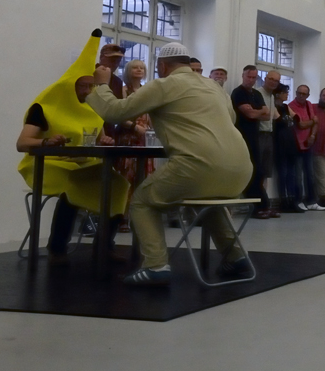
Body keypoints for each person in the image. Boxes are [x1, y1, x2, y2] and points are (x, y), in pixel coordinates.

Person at [87, 41, 253, 286]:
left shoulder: (163, 85)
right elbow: (230, 119)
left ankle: (156, 266)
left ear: (162, 66)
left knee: (142, 201)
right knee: (207, 200)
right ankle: (236, 257)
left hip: (198, 166)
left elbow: (115, 112)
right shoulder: (214, 87)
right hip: (241, 169)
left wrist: (101, 84)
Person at [15, 30, 128, 266]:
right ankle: (57, 247)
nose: (87, 92)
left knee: (119, 184)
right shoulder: (44, 108)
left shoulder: (92, 109)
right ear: (69, 85)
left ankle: (104, 244)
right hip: (47, 164)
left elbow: (100, 138)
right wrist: (46, 142)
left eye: (90, 86)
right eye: (82, 86)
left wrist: (105, 141)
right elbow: (22, 143)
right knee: (73, 185)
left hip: (84, 163)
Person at [231, 65, 272, 219]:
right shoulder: (238, 92)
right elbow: (250, 114)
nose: (251, 80)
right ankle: (257, 207)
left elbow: (267, 115)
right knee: (249, 171)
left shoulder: (256, 94)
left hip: (255, 137)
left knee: (259, 171)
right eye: (249, 77)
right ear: (243, 76)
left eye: (254, 77)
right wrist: (259, 111)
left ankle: (263, 205)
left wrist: (257, 112)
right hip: (242, 137)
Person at [116, 58, 152, 232]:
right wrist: (134, 127)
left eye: (141, 68)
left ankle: (140, 218)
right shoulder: (124, 90)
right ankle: (122, 217)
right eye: (135, 67)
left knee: (144, 178)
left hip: (145, 139)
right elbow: (119, 115)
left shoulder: (147, 91)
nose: (139, 70)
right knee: (126, 178)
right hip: (128, 136)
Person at [287, 83, 323, 211]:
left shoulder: (309, 105)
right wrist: (312, 122)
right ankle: (298, 200)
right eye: (299, 93)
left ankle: (311, 201)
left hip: (308, 144)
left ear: (308, 95)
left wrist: (312, 135)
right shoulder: (291, 106)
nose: (301, 96)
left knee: (310, 174)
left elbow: (316, 123)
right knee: (297, 176)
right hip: (297, 145)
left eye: (304, 94)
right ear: (296, 93)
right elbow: (301, 124)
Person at [272, 84, 305, 213]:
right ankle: (283, 200)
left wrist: (289, 120)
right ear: (278, 94)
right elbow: (279, 120)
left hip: (290, 141)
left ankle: (292, 200)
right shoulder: (273, 106)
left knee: (291, 173)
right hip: (279, 142)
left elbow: (296, 118)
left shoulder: (285, 107)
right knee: (283, 173)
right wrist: (288, 120)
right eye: (284, 92)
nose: (287, 95)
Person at [256, 71, 281, 217]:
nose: (273, 82)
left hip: (269, 135)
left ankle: (264, 203)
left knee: (266, 171)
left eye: (276, 81)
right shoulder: (257, 93)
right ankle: (258, 205)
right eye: (271, 79)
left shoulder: (271, 97)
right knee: (258, 170)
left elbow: (274, 117)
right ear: (265, 79)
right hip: (259, 134)